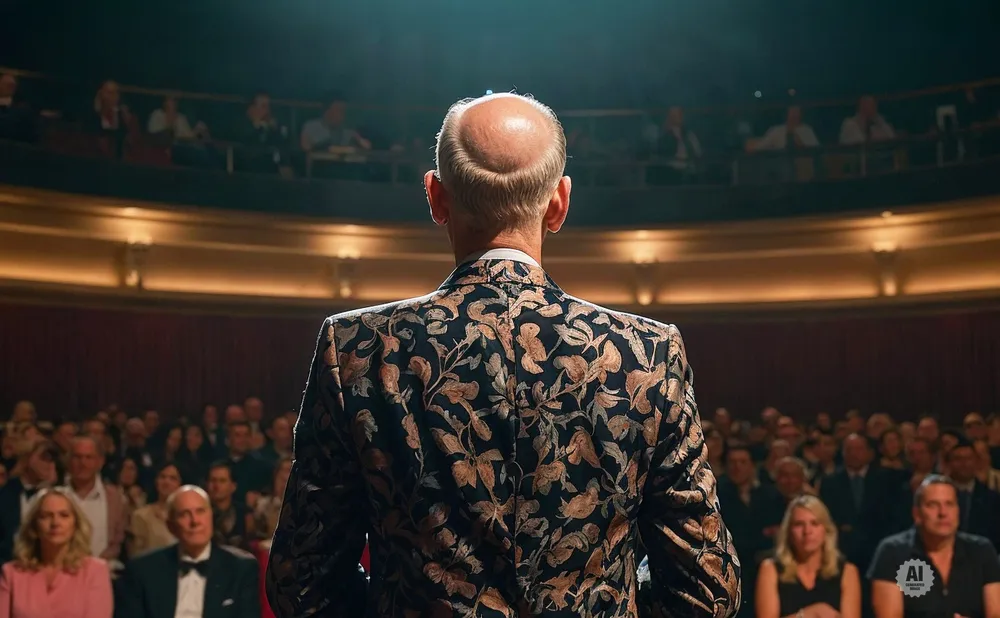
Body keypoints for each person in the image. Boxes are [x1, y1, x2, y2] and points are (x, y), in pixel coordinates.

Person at [266, 92, 742, 617]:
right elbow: (708, 588)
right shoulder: (646, 353)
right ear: (559, 203)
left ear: (436, 198)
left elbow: (301, 582)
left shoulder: (356, 348)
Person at [115, 485, 259, 618]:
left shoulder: (241, 568)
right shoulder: (142, 570)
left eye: (200, 511)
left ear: (211, 518)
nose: (195, 521)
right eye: (184, 514)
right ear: (171, 526)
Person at [869, 475, 1000, 618]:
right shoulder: (893, 552)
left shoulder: (981, 550)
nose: (943, 513)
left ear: (958, 511)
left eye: (949, 504)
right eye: (933, 505)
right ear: (917, 514)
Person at [0, 488, 113, 618]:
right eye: (46, 516)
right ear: (34, 526)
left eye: (64, 515)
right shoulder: (11, 573)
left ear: (75, 524)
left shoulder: (95, 571)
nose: (55, 523)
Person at [756, 495, 861, 618]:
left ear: (826, 530)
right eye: (799, 524)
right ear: (788, 531)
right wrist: (807, 614)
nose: (807, 531)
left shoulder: (848, 571)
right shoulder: (770, 569)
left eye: (814, 523)